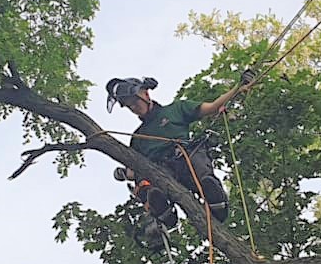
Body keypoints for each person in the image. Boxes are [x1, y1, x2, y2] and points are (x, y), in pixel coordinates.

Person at [105, 71, 253, 249]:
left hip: (186, 159)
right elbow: (135, 168)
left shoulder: (175, 110)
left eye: (134, 102)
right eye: (129, 106)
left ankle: (215, 199)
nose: (134, 108)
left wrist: (238, 88)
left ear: (145, 93)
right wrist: (124, 173)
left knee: (197, 161)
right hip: (162, 172)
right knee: (148, 182)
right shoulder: (137, 138)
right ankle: (162, 211)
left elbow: (213, 107)